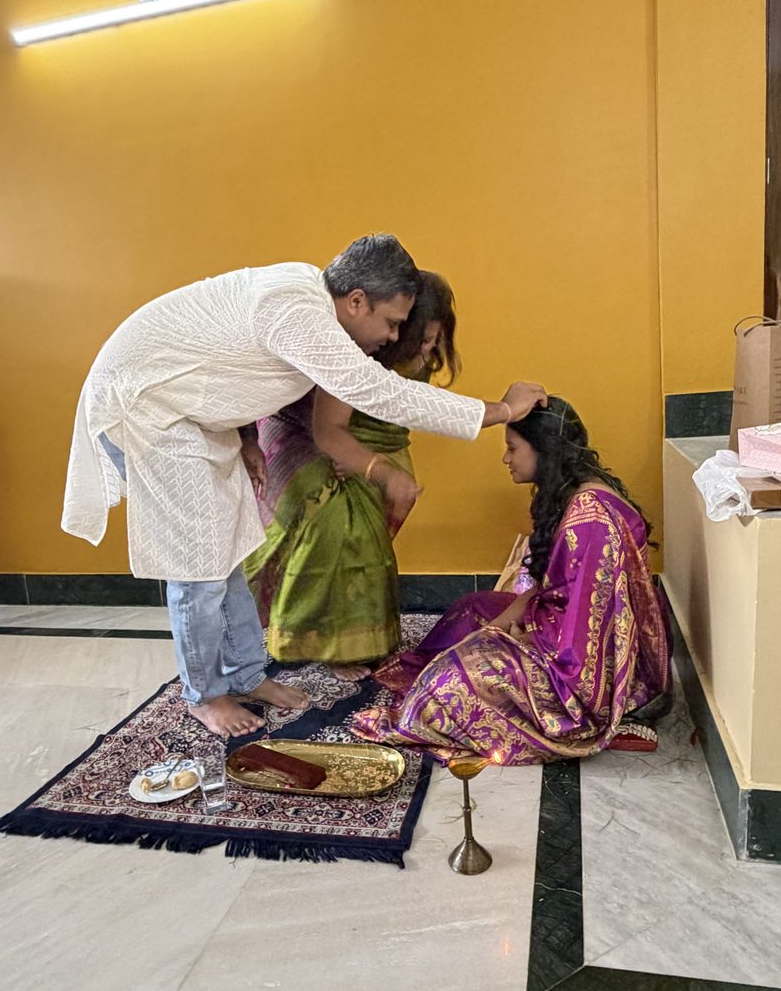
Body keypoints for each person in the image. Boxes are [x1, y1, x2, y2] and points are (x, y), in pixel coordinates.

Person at [61, 234, 546, 737]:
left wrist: (246, 435)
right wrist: (501, 411)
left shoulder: (306, 298)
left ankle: (246, 674)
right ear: (357, 299)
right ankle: (205, 695)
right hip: (149, 410)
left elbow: (225, 360)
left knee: (230, 547)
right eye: (391, 321)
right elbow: (378, 391)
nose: (392, 335)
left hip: (192, 411)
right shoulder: (300, 312)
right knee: (199, 567)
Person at [351, 397, 671, 764]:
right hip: (560, 624)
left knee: (446, 686)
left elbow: (589, 642)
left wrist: (524, 637)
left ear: (544, 451)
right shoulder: (572, 494)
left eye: (512, 448)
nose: (506, 458)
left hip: (584, 670)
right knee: (472, 611)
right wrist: (497, 629)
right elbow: (549, 586)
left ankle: (616, 724)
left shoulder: (591, 521)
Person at [243, 271, 460, 680]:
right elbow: (331, 425)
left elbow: (415, 406)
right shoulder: (358, 349)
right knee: (338, 526)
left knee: (368, 536)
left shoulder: (411, 349)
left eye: (436, 338)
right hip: (310, 432)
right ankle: (324, 640)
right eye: (421, 338)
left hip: (380, 441)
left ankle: (355, 634)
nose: (429, 348)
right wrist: (361, 459)